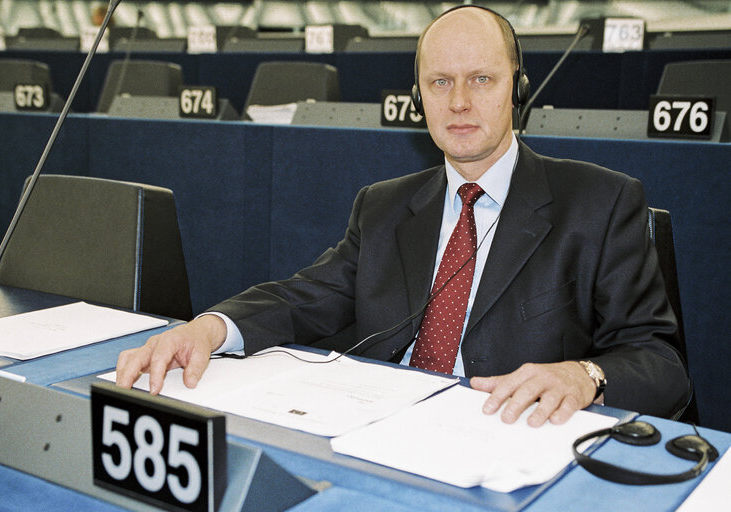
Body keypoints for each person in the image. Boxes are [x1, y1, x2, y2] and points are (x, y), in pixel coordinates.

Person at [116, 5, 690, 427]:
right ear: (419, 96)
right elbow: (304, 298)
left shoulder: (601, 202)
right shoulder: (384, 205)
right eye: (440, 83)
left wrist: (586, 377)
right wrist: (209, 328)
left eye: (481, 80)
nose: (459, 102)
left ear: (518, 87)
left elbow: (662, 364)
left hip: (507, 439)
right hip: (381, 428)